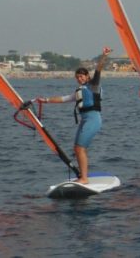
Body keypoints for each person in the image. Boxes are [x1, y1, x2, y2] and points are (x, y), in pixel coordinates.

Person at [36, 46, 111, 184]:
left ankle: (84, 178)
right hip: (85, 120)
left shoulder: (93, 85)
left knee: (80, 148)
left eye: (81, 76)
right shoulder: (79, 91)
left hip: (93, 119)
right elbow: (62, 99)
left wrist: (104, 55)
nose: (79, 79)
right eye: (77, 77)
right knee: (77, 148)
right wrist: (45, 100)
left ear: (87, 76)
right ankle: (83, 176)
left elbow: (99, 69)